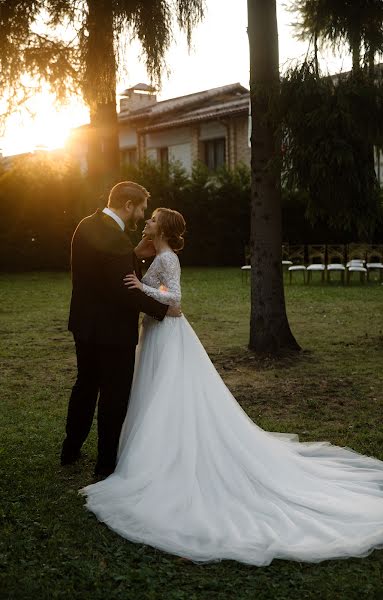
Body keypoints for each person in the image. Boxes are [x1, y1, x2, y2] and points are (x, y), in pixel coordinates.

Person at [81, 208, 383, 566]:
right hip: (157, 332)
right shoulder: (158, 254)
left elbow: (174, 299)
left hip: (167, 334)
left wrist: (141, 286)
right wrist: (142, 272)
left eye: (152, 219)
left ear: (162, 227)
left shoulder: (168, 258)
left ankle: (165, 456)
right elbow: (159, 290)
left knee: (168, 394)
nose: (147, 221)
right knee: (155, 394)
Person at [61, 182, 180, 479]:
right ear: (128, 205)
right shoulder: (116, 239)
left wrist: (134, 255)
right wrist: (165, 309)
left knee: (85, 386)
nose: (142, 214)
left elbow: (103, 272)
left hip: (84, 325)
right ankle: (105, 465)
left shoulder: (85, 226)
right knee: (114, 396)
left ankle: (70, 449)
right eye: (141, 208)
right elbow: (123, 290)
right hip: (113, 332)